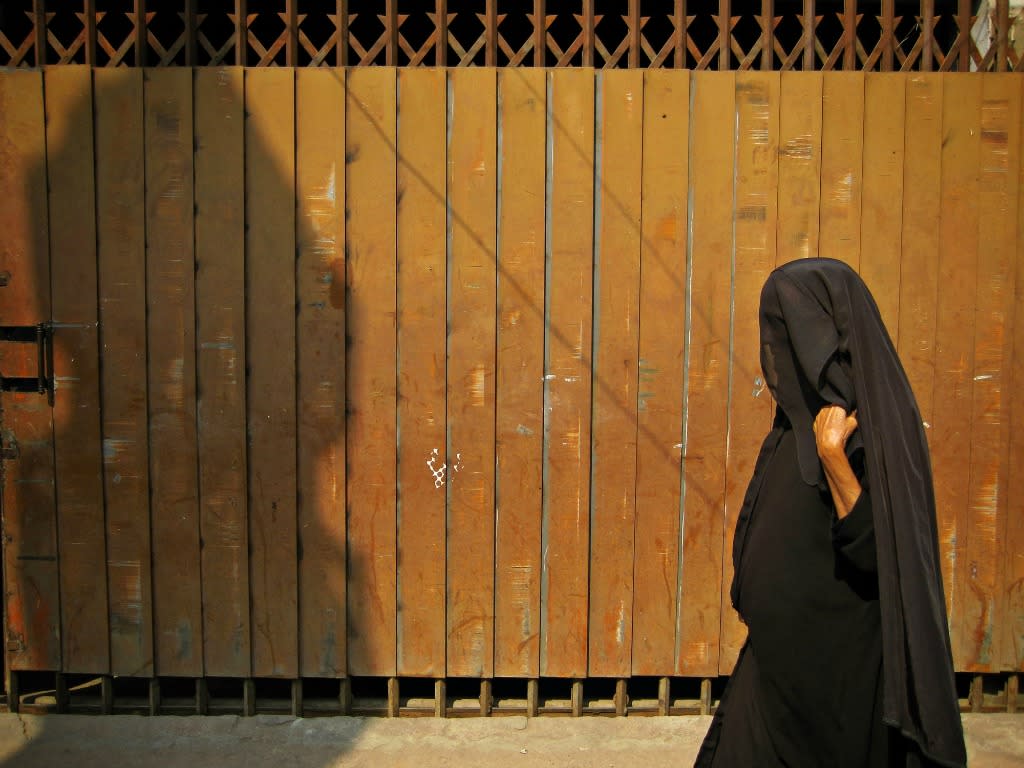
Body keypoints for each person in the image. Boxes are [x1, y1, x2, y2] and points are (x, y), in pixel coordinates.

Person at [694, 258, 967, 768]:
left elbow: (876, 558)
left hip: (833, 682)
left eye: (789, 330)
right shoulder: (793, 425)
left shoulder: (877, 426)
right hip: (775, 672)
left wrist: (835, 460)